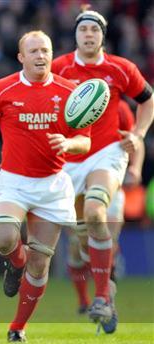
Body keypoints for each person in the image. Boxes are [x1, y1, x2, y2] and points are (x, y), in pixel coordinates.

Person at [0, 30, 91, 342]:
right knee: (5, 240)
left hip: (53, 185)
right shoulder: (2, 89)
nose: (40, 56)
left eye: (45, 50)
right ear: (21, 57)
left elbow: (85, 140)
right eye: (33, 51)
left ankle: (17, 327)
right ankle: (14, 264)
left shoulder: (69, 91)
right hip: (14, 182)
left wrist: (69, 143)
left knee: (40, 263)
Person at [52, 7, 154, 333]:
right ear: (76, 35)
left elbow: (148, 101)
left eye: (94, 30)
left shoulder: (120, 69)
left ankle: (101, 298)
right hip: (68, 162)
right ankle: (103, 286)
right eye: (83, 30)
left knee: (99, 216)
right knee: (80, 242)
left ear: (103, 36)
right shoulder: (59, 68)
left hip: (106, 156)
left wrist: (137, 136)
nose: (89, 35)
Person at [66, 100, 145, 316]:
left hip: (110, 184)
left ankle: (105, 297)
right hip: (77, 184)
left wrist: (135, 169)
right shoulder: (68, 105)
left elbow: (135, 140)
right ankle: (84, 300)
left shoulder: (118, 108)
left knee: (108, 238)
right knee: (77, 247)